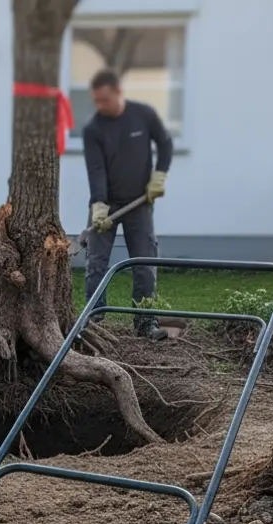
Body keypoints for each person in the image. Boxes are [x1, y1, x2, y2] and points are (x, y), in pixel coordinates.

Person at [81, 68, 173, 341]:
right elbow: (95, 169)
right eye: (96, 100)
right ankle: (94, 321)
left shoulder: (143, 115)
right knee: (96, 263)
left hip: (139, 204)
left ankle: (145, 322)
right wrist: (99, 204)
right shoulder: (93, 129)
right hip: (105, 204)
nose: (100, 105)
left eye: (105, 99)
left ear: (119, 93)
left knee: (144, 263)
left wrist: (159, 176)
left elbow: (165, 143)